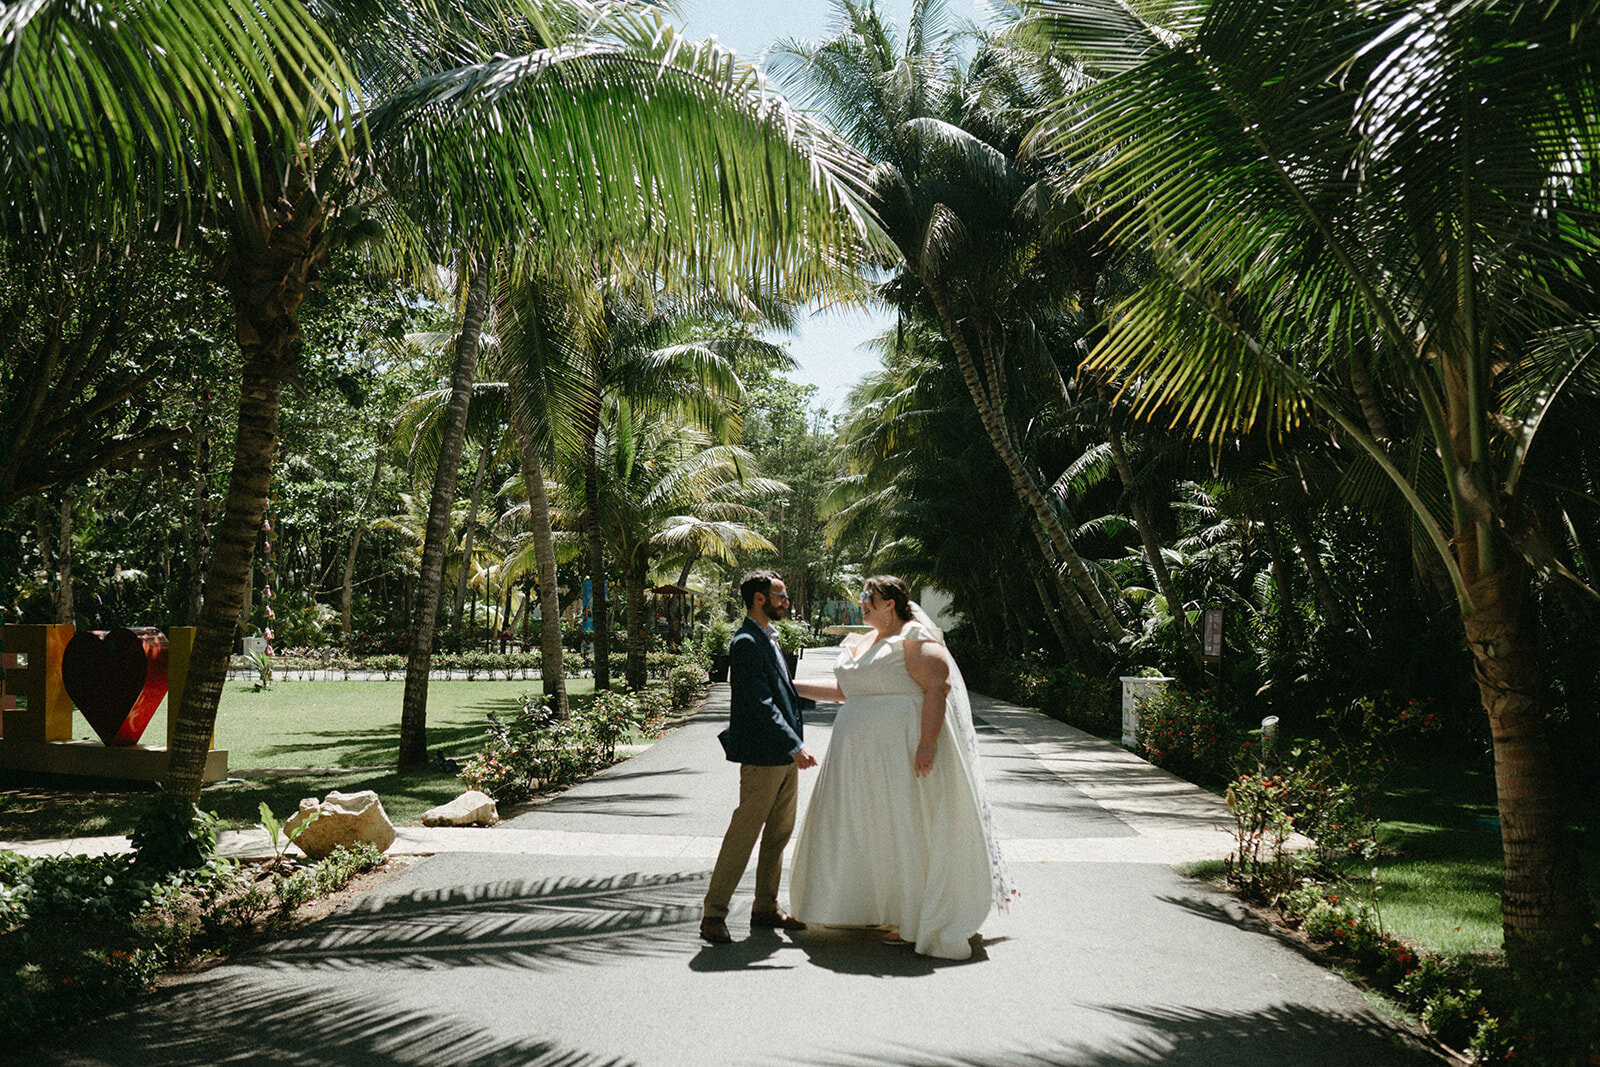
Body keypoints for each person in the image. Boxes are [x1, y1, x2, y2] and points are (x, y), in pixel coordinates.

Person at [788, 575, 1015, 960]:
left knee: (905, 823)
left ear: (889, 603)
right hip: (857, 757)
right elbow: (848, 691)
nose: (861, 602)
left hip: (903, 748)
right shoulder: (862, 641)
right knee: (867, 825)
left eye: (867, 596)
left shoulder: (915, 637)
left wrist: (926, 744)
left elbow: (937, 688)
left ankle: (912, 915)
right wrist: (790, 686)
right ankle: (871, 906)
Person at [700, 570, 818, 944]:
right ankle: (713, 914)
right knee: (744, 834)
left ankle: (765, 907)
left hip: (782, 755)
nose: (786, 602)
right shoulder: (746, 642)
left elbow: (784, 693)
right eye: (780, 597)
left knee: (780, 833)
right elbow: (761, 704)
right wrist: (794, 745)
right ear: (759, 599)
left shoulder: (769, 637)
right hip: (765, 755)